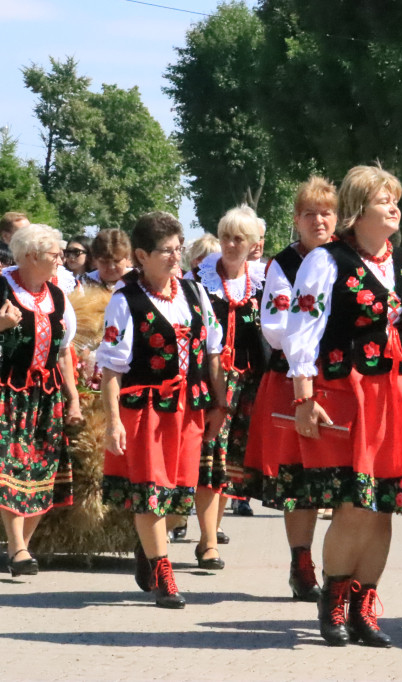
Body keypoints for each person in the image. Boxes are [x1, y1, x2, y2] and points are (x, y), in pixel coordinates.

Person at [283, 165, 402, 647]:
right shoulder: (325, 262)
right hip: (349, 395)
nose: (395, 208)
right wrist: (303, 398)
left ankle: (365, 605)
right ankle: (334, 601)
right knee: (354, 505)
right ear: (358, 209)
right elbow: (301, 333)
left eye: (396, 199)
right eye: (385, 200)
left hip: (401, 395)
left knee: (384, 506)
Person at [97, 211, 226, 608]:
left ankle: (148, 548)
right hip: (146, 411)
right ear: (141, 255)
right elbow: (111, 370)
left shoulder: (195, 294)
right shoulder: (126, 301)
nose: (175, 257)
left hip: (188, 410)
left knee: (178, 498)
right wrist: (114, 421)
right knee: (151, 493)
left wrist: (220, 404)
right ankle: (164, 573)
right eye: (165, 251)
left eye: (178, 249)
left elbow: (213, 352)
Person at [0, 224, 82, 576]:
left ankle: (21, 545)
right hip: (7, 395)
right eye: (54, 254)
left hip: (47, 397)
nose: (61, 260)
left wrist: (73, 399)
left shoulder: (58, 297)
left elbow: (63, 352)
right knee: (10, 469)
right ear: (30, 256)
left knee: (43, 472)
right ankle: (17, 549)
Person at [244, 175, 337, 602]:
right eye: (310, 214)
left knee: (342, 477)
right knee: (299, 478)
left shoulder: (349, 257)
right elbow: (278, 328)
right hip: (291, 378)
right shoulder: (283, 264)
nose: (319, 220)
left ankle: (344, 567)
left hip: (340, 376)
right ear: (296, 220)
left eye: (327, 212)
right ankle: (302, 563)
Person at [192, 205, 268, 569]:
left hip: (250, 383)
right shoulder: (198, 279)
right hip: (212, 379)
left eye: (240, 238)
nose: (232, 244)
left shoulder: (266, 281)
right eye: (226, 237)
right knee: (208, 459)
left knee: (229, 464)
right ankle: (208, 543)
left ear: (254, 243)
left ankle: (212, 531)